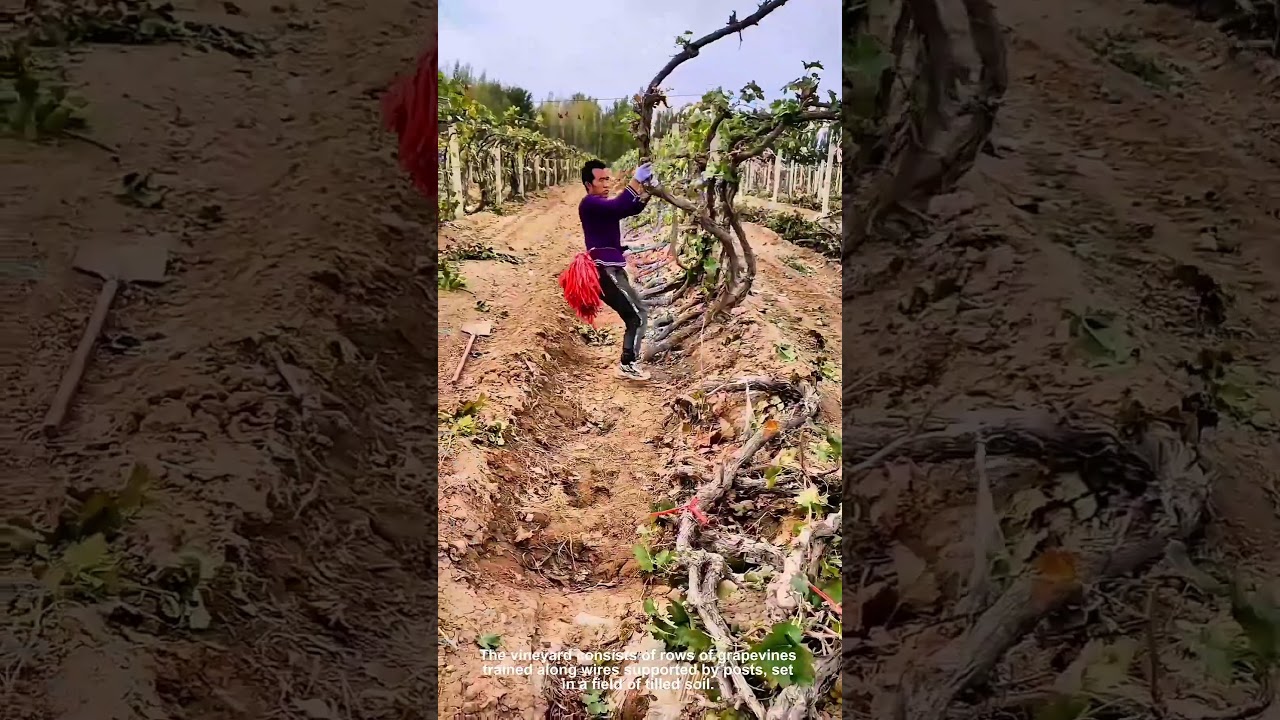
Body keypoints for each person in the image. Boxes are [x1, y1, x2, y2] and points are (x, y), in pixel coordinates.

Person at [578, 159, 656, 381]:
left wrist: (648, 190)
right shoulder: (590, 204)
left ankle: (628, 362)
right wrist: (635, 181)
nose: (606, 184)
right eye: (601, 180)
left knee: (636, 314)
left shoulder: (602, 206)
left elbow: (630, 208)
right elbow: (618, 206)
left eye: (607, 179)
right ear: (588, 184)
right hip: (604, 271)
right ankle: (627, 364)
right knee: (637, 316)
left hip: (612, 269)